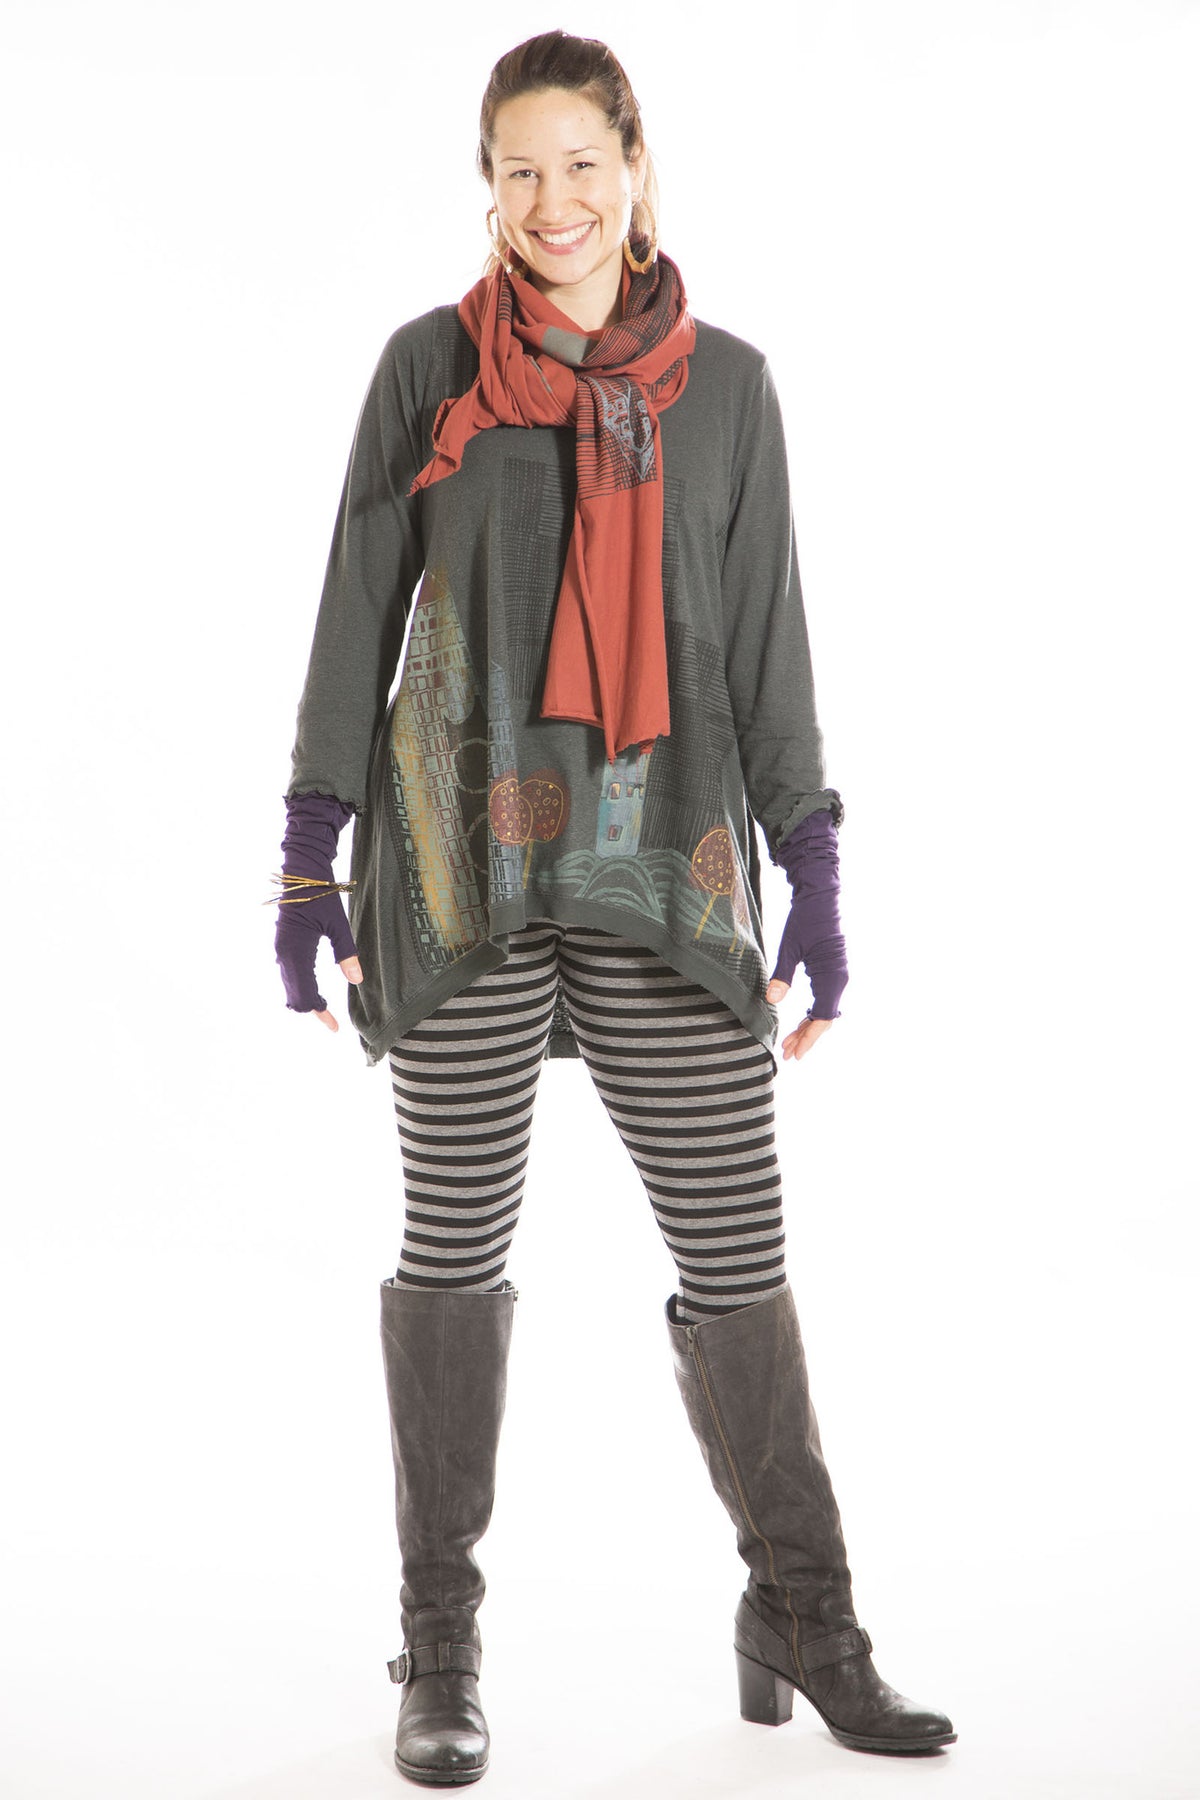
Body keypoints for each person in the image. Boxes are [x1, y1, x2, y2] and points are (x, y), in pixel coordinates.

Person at [274, 29, 955, 1787]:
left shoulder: (730, 389)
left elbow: (767, 638)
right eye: (519, 168)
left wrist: (814, 871)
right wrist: (306, 858)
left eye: (582, 161)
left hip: (670, 870)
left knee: (737, 1259)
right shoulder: (429, 369)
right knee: (452, 1253)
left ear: (635, 167)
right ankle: (439, 1641)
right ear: (487, 184)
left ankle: (805, 1615)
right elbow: (356, 613)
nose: (553, 199)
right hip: (463, 873)